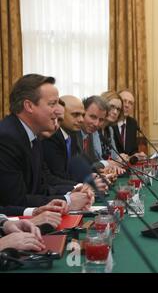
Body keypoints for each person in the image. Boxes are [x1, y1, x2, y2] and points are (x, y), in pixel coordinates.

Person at [0, 75, 92, 214]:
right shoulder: (7, 138)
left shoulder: (32, 136)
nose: (58, 110)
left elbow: (42, 185)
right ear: (29, 106)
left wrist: (74, 189)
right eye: (52, 104)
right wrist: (68, 200)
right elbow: (15, 200)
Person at [114, 90, 139, 156]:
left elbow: (133, 150)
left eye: (130, 103)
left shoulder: (133, 123)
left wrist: (136, 155)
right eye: (124, 101)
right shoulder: (110, 122)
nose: (127, 105)